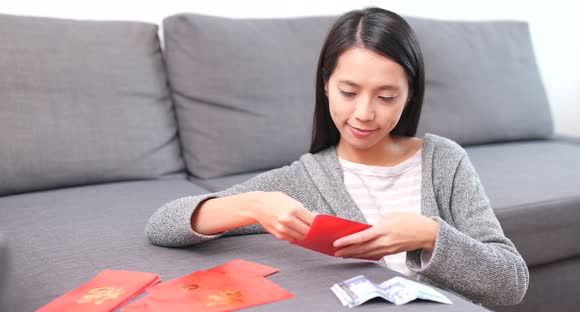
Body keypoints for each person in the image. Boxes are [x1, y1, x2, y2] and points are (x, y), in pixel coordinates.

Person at [145, 7, 529, 306]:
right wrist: (254, 204)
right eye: (348, 92)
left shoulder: (445, 161)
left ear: (410, 94)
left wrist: (429, 235)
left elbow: (511, 283)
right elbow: (162, 225)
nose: (364, 113)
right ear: (326, 85)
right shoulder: (303, 181)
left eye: (386, 96)